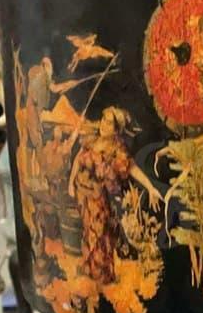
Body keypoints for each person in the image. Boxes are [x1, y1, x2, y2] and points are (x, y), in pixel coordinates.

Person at [68, 106, 160, 284]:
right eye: (103, 119)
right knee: (87, 232)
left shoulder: (117, 150)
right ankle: (89, 270)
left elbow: (132, 168)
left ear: (116, 129)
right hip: (82, 194)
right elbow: (78, 161)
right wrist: (71, 183)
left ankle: (101, 275)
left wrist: (150, 187)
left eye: (109, 123)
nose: (104, 124)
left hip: (98, 198)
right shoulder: (91, 139)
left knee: (99, 234)